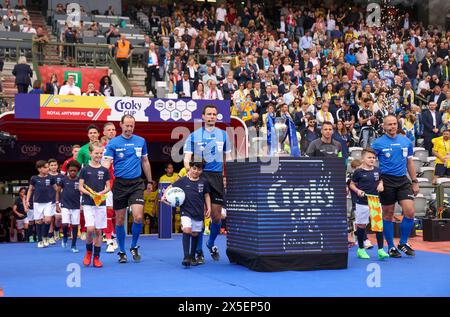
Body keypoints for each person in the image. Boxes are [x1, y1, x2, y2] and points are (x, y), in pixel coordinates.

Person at [183, 105, 232, 264]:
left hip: (217, 177)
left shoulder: (224, 135)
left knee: (217, 217)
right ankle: (198, 252)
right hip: (201, 176)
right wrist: (191, 173)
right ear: (203, 117)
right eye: (209, 114)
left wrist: (228, 176)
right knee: (199, 215)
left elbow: (229, 158)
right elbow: (187, 158)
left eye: (214, 114)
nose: (212, 116)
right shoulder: (194, 136)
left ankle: (210, 243)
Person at [103, 115, 154, 264]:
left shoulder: (141, 141)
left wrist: (149, 181)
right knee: (119, 221)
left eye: (132, 126)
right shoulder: (113, 143)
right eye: (127, 125)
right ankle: (122, 251)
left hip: (137, 183)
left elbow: (145, 161)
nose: (129, 128)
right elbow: (106, 163)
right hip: (119, 184)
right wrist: (99, 178)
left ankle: (134, 246)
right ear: (121, 125)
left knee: (138, 217)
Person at [371, 115, 419, 258]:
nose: (392, 127)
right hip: (386, 181)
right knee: (388, 214)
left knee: (409, 212)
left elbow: (410, 163)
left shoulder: (406, 141)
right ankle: (391, 246)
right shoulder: (377, 143)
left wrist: (415, 181)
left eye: (394, 124)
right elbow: (372, 163)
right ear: (384, 127)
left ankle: (403, 243)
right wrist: (378, 180)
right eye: (389, 124)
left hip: (403, 180)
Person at [163, 159, 211, 267]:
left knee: (195, 234)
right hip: (186, 211)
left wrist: (209, 208)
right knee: (187, 229)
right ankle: (186, 257)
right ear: (190, 168)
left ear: (201, 170)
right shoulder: (183, 181)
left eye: (199, 169)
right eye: (194, 168)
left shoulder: (204, 181)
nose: (196, 171)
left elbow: (207, 195)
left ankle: (193, 256)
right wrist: (164, 195)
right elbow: (171, 187)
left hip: (198, 212)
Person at [349, 148, 389, 260]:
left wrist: (381, 184)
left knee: (378, 226)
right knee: (361, 226)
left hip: (375, 201)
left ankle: (381, 250)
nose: (372, 159)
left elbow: (380, 180)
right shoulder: (358, 172)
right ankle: (361, 249)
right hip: (362, 202)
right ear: (363, 159)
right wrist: (357, 191)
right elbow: (352, 184)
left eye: (373, 158)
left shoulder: (377, 170)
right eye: (369, 157)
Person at [79, 142, 111, 268]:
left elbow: (108, 187)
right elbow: (81, 187)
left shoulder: (104, 170)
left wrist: (100, 193)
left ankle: (96, 257)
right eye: (96, 153)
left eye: (100, 153)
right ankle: (88, 253)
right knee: (90, 229)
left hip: (100, 204)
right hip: (88, 203)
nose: (98, 155)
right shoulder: (84, 169)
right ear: (90, 153)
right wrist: (91, 194)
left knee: (98, 231)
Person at [25, 160, 58, 248]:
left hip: (48, 202)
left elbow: (56, 189)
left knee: (47, 220)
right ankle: (40, 241)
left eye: (48, 167)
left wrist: (60, 198)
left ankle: (45, 237)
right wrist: (27, 201)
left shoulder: (51, 178)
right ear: (39, 169)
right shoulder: (34, 178)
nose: (48, 168)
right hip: (37, 203)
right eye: (46, 167)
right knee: (38, 221)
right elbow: (30, 190)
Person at [56, 160, 81, 253]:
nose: (73, 172)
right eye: (71, 171)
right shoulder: (63, 180)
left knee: (75, 226)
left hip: (76, 206)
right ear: (68, 171)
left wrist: (82, 203)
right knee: (65, 224)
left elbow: (83, 192)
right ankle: (65, 237)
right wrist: (57, 204)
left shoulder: (80, 180)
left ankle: (73, 245)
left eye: (74, 171)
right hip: (65, 205)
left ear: (77, 171)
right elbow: (58, 191)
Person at [101, 122, 118, 253]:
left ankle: (116, 236)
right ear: (104, 133)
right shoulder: (102, 149)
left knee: (119, 213)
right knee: (108, 212)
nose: (111, 132)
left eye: (113, 130)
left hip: (122, 183)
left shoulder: (122, 146)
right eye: (109, 130)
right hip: (108, 184)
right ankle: (109, 239)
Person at [47, 158, 64, 245]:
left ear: (57, 166)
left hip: (59, 200)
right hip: (48, 201)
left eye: (55, 165)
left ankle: (56, 230)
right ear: (48, 166)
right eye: (52, 165)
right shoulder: (46, 176)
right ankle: (50, 237)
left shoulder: (61, 176)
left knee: (58, 218)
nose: (54, 167)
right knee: (49, 219)